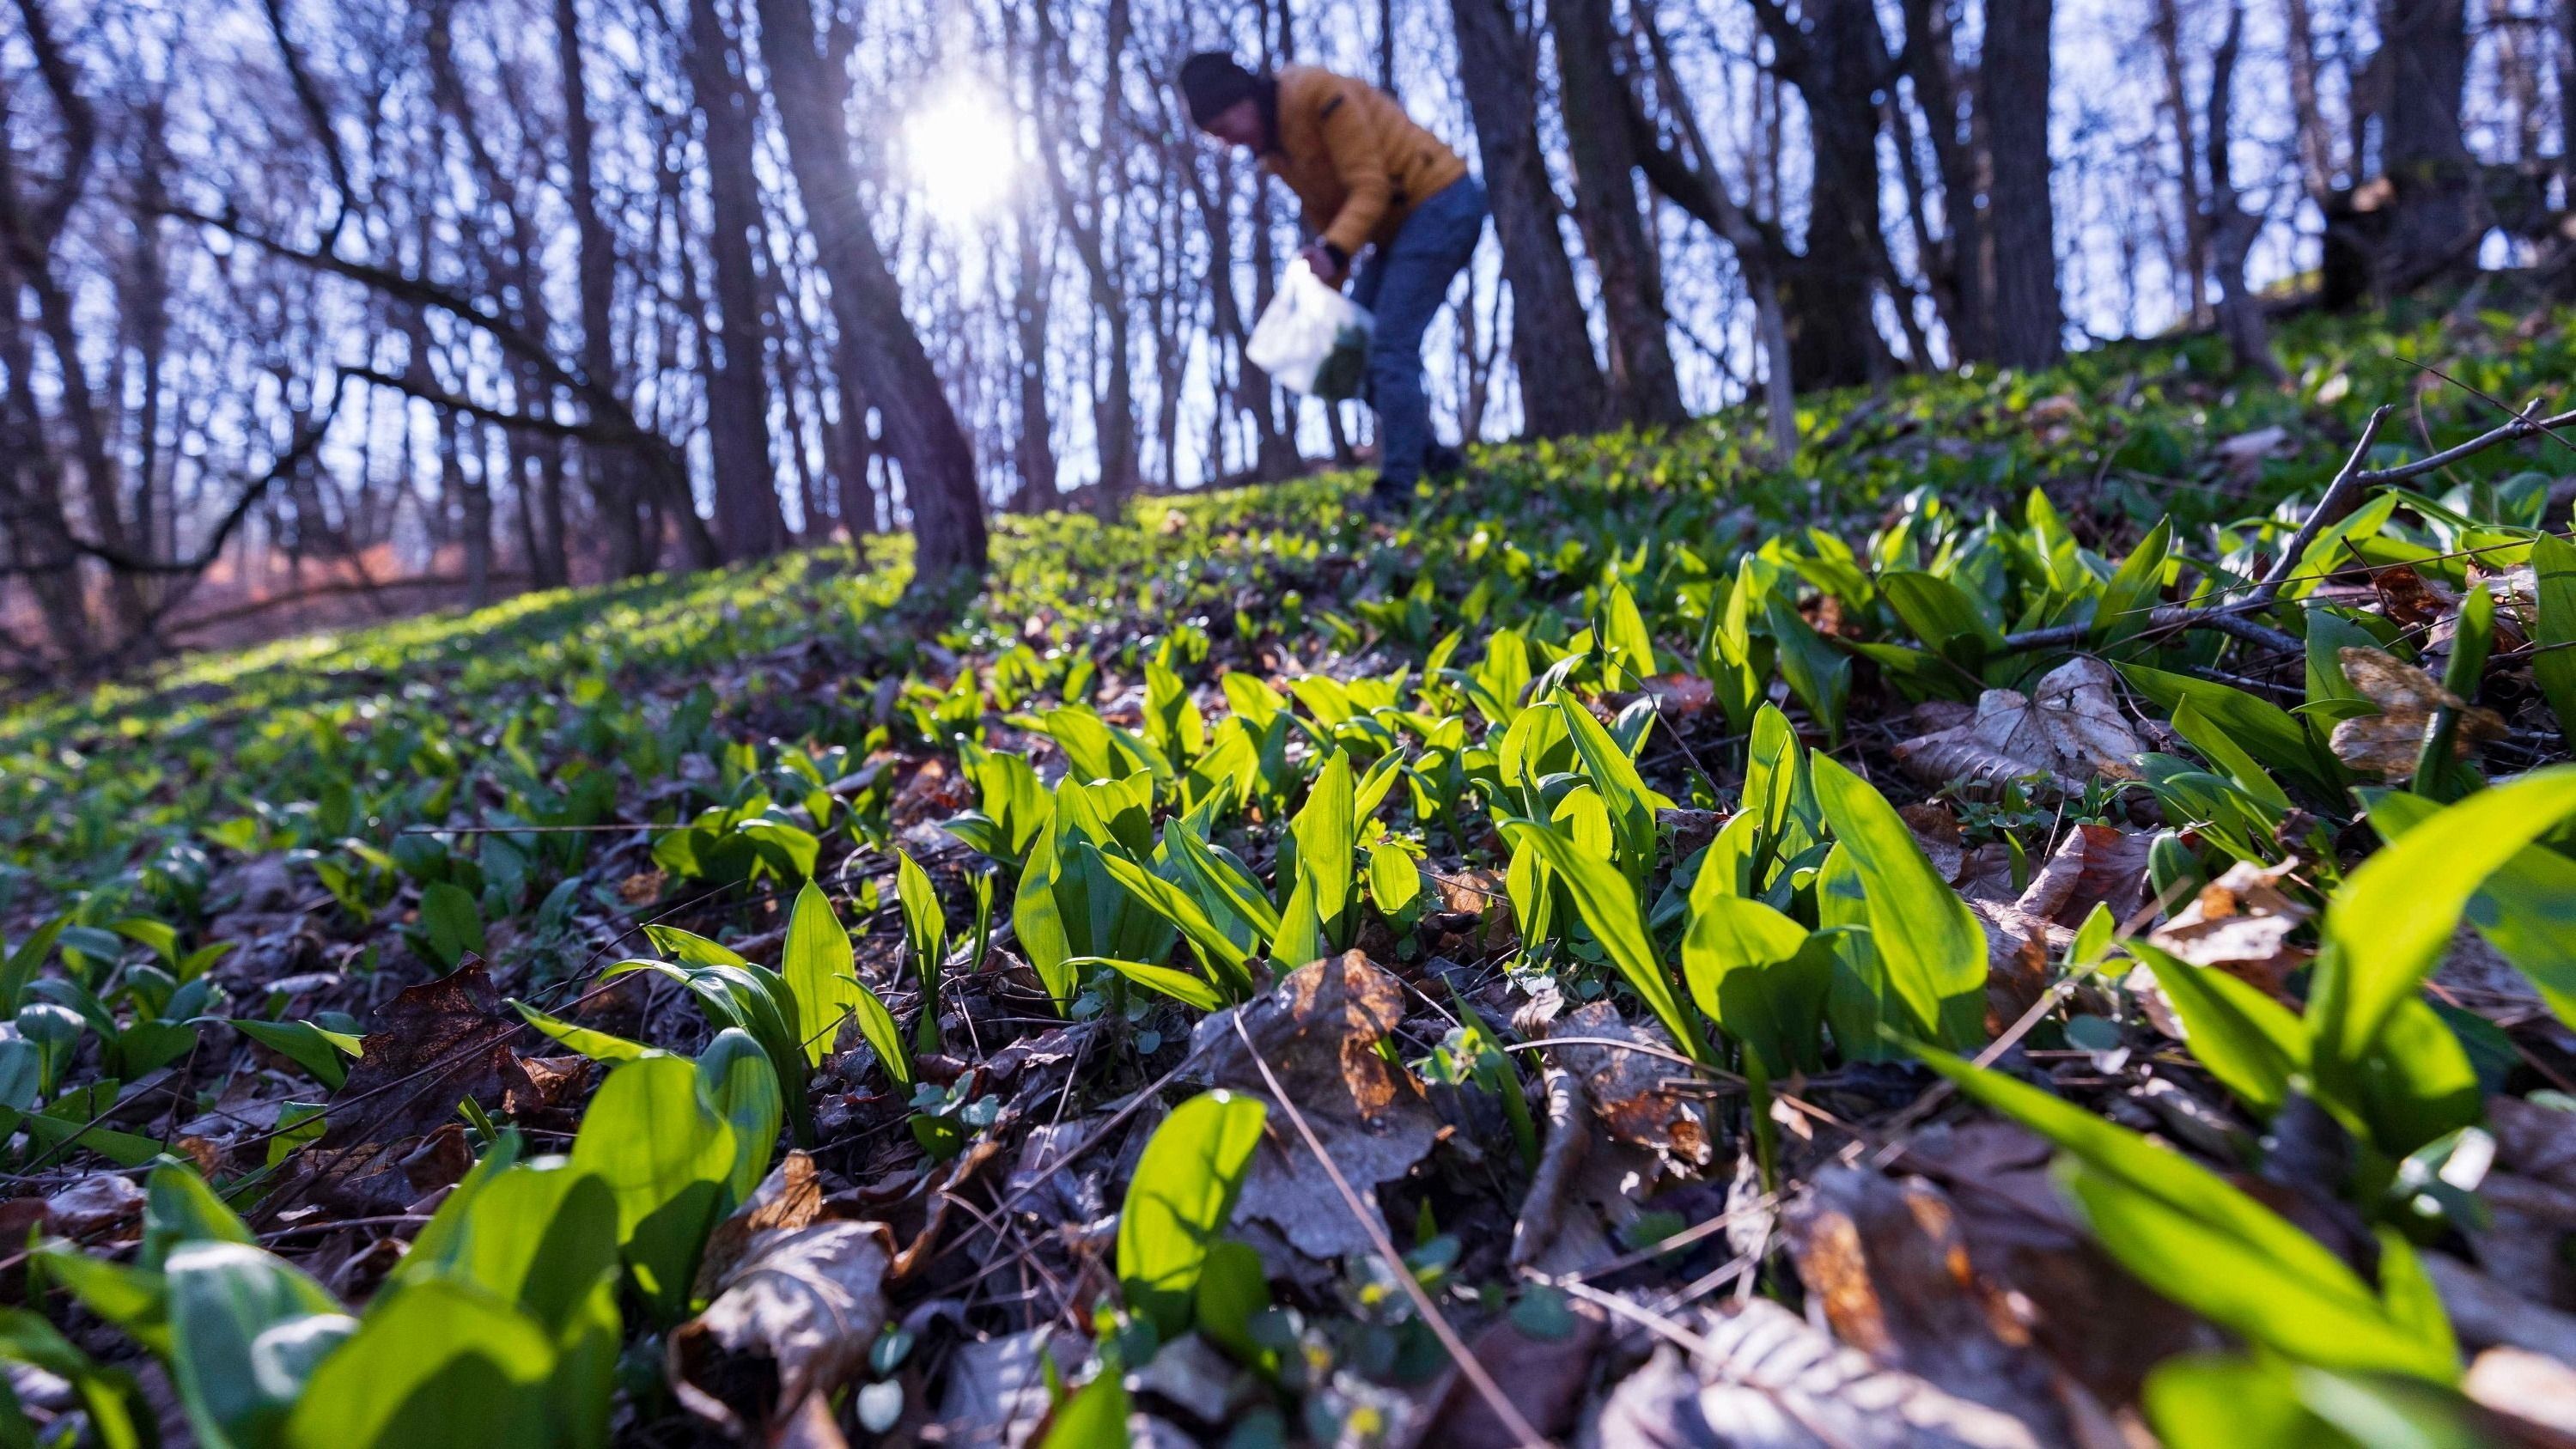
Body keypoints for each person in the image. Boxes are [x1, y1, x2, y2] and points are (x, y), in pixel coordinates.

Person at [1178, 52, 1487, 518]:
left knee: (1387, 349)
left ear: (1244, 98)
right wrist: (1326, 290)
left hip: (1439, 201)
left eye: (1227, 125)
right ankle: (1437, 461)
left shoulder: (1316, 94)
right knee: (1351, 354)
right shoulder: (1276, 153)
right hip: (1391, 232)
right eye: (1218, 136)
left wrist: (1334, 252)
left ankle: (1396, 493)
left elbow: (1371, 186)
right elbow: (1327, 214)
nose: (1231, 141)